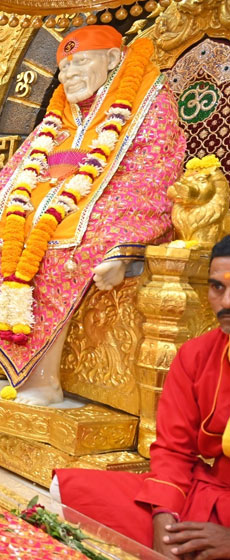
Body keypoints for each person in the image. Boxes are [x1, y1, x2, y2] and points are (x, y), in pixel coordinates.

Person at [0, 25, 186, 405]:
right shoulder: (59, 114)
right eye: (63, 67)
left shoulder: (148, 100)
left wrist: (123, 246)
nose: (69, 74)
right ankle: (10, 368)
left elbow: (150, 171)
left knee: (63, 253)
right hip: (51, 206)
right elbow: (19, 170)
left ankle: (43, 381)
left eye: (80, 62)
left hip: (109, 209)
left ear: (113, 59)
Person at [52, 235, 230, 558]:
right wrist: (165, 518)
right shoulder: (196, 355)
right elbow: (174, 452)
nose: (227, 302)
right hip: (207, 496)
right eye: (217, 287)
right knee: (68, 491)